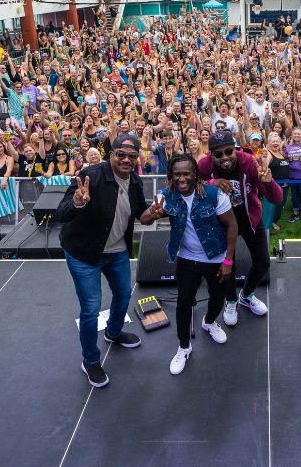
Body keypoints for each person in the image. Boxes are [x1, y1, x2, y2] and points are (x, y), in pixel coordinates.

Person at [56, 134, 148, 388]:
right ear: (111, 154)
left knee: (122, 294)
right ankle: (90, 360)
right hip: (84, 254)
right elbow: (61, 213)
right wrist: (76, 202)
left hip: (116, 252)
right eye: (121, 154)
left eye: (132, 156)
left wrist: (154, 212)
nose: (126, 159)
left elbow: (141, 213)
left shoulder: (135, 181)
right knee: (90, 309)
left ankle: (113, 331)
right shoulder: (90, 176)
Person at [140, 154, 238, 375]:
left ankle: (210, 322)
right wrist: (153, 214)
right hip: (186, 259)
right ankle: (184, 347)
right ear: (171, 176)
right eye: (177, 175)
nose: (181, 179)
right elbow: (144, 219)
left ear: (196, 175)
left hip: (215, 257)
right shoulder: (166, 196)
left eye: (186, 174)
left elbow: (232, 225)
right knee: (184, 303)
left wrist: (228, 260)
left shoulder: (214, 195)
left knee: (218, 297)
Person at [199, 130, 283, 326]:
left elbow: (277, 198)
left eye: (228, 151)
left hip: (249, 220)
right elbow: (192, 184)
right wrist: (212, 182)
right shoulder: (204, 165)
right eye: (218, 154)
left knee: (263, 262)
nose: (224, 158)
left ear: (235, 149)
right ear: (211, 154)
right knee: (228, 267)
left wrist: (268, 183)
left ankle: (246, 294)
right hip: (222, 224)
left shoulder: (249, 163)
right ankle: (231, 300)